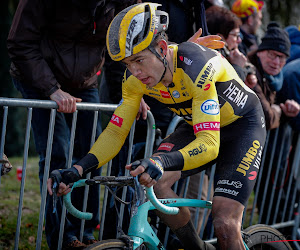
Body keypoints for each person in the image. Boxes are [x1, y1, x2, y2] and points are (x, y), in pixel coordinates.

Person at [47, 3, 266, 249]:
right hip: (198, 125)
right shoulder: (133, 80)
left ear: (162, 48)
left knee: (225, 224)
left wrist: (160, 162)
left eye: (139, 60)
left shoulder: (196, 65)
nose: (135, 71)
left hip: (242, 129)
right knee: (154, 182)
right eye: (127, 63)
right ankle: (195, 246)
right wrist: (78, 168)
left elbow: (210, 144)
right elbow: (116, 131)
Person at [7, 0, 137, 249]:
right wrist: (51, 89)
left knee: (93, 153)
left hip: (84, 81)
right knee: (58, 153)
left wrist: (129, 92)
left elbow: (117, 50)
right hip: (38, 77)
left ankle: (85, 231)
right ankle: (62, 237)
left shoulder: (121, 2)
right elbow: (19, 43)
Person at [247, 22, 300, 130]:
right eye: (272, 54)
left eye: (282, 57)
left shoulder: (275, 80)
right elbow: (265, 118)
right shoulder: (249, 72)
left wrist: (287, 107)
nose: (276, 62)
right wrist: (279, 110)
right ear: (259, 52)